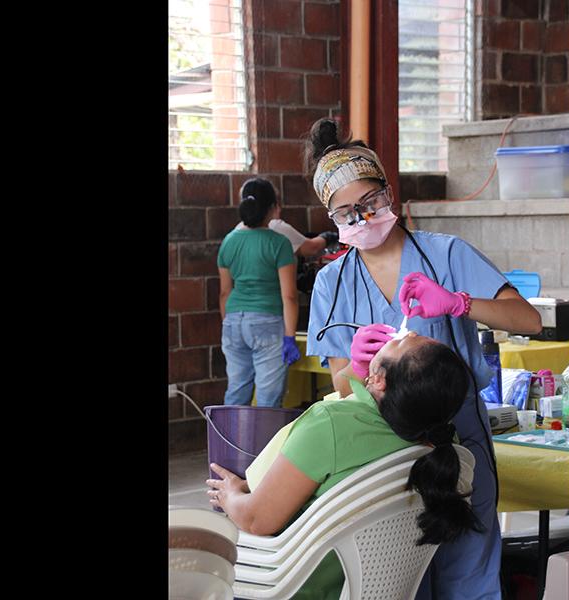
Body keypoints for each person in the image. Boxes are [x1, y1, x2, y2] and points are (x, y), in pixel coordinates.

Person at [303, 118, 543, 599]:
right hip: (379, 455)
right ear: (332, 219)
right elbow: (343, 389)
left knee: (467, 576)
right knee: (397, 580)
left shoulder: (444, 255)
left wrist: (459, 303)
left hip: (459, 446)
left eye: (370, 203)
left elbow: (530, 321)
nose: (363, 220)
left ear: (388, 192)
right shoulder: (332, 284)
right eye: (346, 213)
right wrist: (355, 362)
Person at [206, 329, 480, 599]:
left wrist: (229, 494)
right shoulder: (441, 442)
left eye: (401, 340)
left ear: (379, 380)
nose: (409, 331)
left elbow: (256, 520)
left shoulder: (330, 425)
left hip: (297, 585)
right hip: (364, 585)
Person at [217, 178, 302, 407]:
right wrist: (290, 337)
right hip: (267, 323)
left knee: (236, 391)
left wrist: (231, 324)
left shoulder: (228, 242)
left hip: (233, 322)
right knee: (268, 399)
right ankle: (263, 444)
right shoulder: (279, 243)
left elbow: (225, 293)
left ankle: (228, 442)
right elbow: (289, 296)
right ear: (273, 208)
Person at [234, 214, 339, 258]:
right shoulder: (276, 228)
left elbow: (225, 292)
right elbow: (312, 248)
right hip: (272, 301)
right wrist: (329, 236)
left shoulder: (236, 232)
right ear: (272, 206)